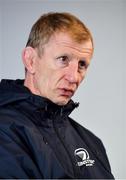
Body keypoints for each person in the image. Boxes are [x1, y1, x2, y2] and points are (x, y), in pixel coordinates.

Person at [0, 12, 114, 179]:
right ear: (30, 60)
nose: (74, 77)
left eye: (82, 64)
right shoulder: (5, 131)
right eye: (63, 59)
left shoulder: (91, 143)